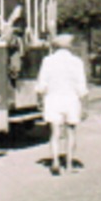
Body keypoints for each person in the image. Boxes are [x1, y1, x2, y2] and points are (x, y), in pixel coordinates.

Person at [35, 32, 89, 175]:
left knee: (55, 133)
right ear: (69, 47)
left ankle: (55, 162)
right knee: (71, 132)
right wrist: (84, 106)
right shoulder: (77, 62)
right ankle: (70, 164)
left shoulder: (47, 61)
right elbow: (81, 86)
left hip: (53, 99)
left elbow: (41, 84)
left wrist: (39, 99)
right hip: (71, 100)